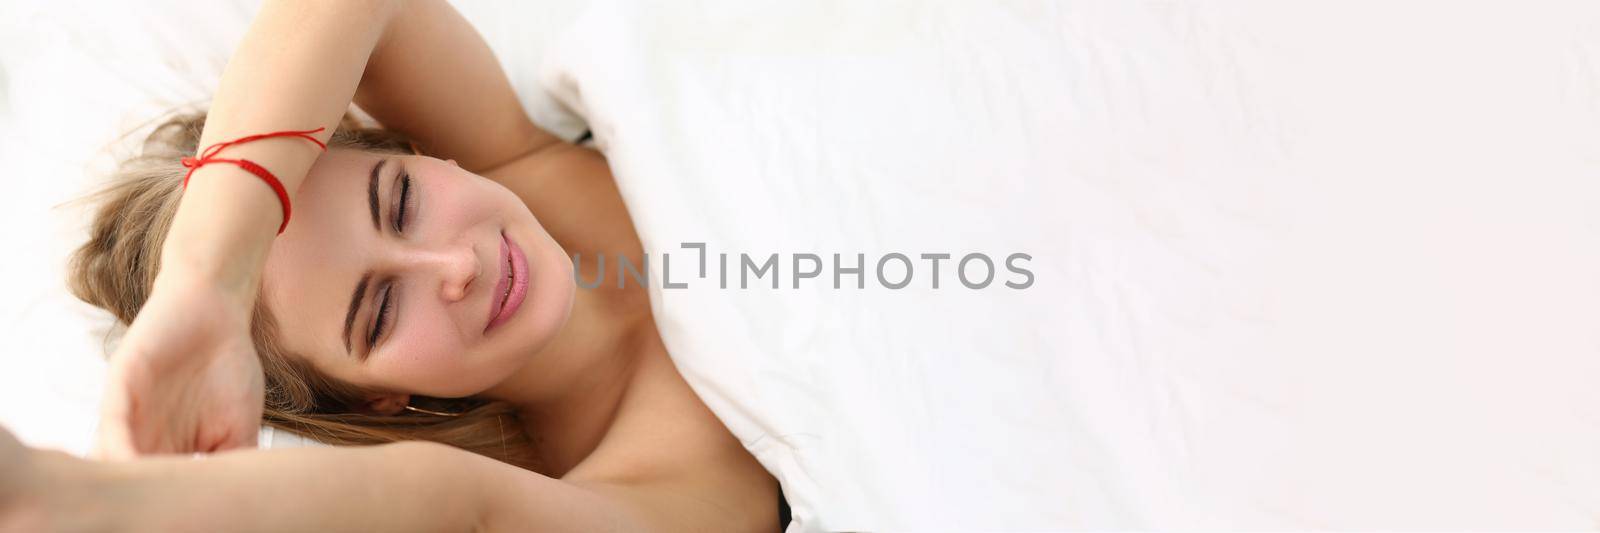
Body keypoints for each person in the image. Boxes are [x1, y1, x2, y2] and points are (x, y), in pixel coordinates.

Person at [0, 0, 783, 530]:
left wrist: (210, 277)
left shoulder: (516, 159)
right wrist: (94, 503)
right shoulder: (648, 484)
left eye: (401, 200)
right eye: (379, 313)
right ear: (380, 401)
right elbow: (455, 502)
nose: (453, 266)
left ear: (418, 151)